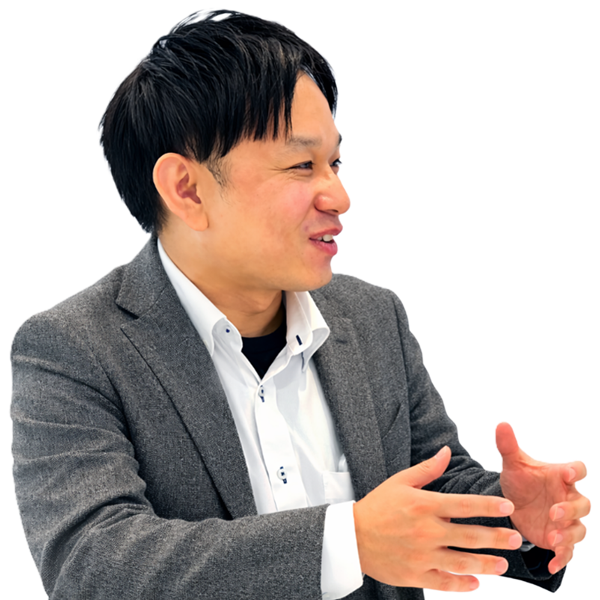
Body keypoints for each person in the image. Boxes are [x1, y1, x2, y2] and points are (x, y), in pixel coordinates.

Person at [10, 9, 589, 600]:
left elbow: (429, 487)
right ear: (187, 189)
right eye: (301, 165)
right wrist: (348, 542)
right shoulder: (73, 348)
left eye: (334, 162)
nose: (339, 195)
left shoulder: (372, 317)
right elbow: (94, 566)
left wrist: (514, 517)